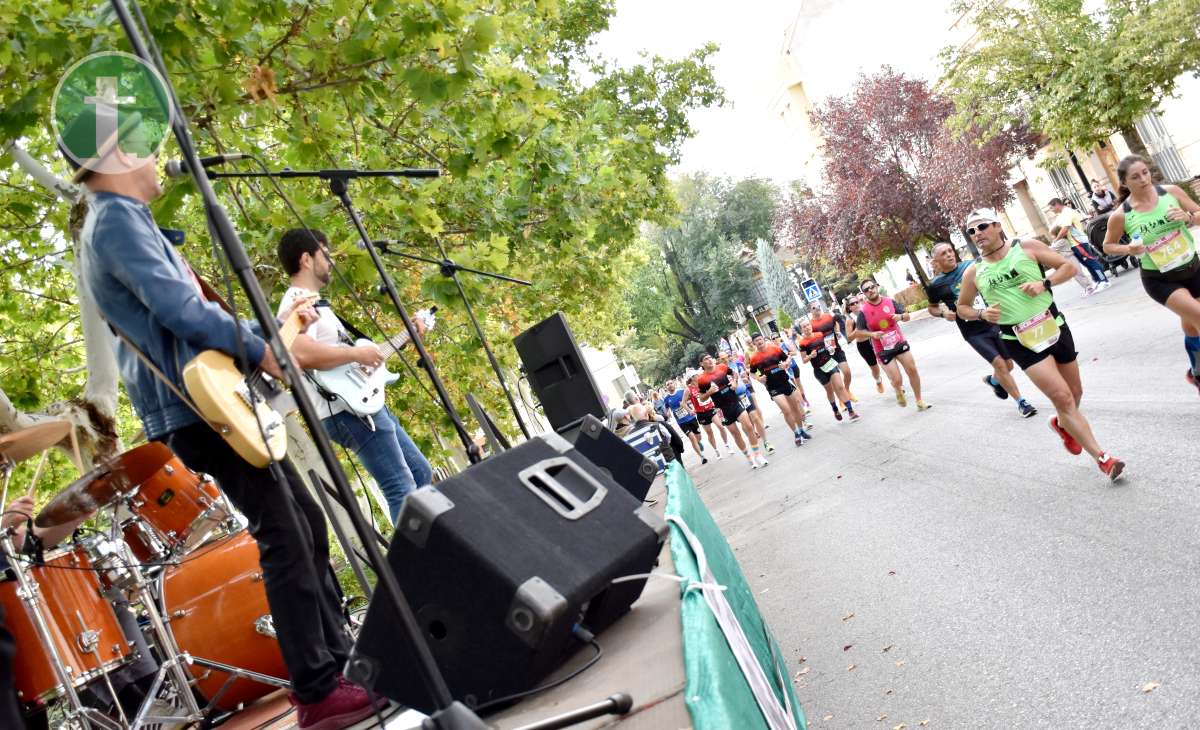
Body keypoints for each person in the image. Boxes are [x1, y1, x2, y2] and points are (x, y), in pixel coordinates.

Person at [65, 106, 381, 726]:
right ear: (117, 158)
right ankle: (317, 690)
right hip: (194, 409)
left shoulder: (120, 222)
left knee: (302, 521)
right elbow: (182, 310)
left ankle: (337, 667)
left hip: (199, 403)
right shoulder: (117, 222)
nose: (158, 159)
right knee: (285, 531)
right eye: (144, 148)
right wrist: (261, 346)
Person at [277, 229, 433, 523]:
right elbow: (300, 352)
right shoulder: (297, 302)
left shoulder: (316, 303)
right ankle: (411, 566)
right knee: (401, 487)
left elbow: (352, 359)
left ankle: (425, 546)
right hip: (346, 411)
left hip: (361, 404)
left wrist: (405, 335)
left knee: (420, 472)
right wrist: (355, 354)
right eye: (326, 254)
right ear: (306, 259)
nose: (331, 261)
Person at [956, 208, 1124, 481]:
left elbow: (1068, 267)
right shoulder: (974, 271)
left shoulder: (1027, 247)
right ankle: (1103, 458)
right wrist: (980, 314)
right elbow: (962, 307)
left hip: (1053, 325)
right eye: (972, 231)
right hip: (1019, 339)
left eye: (982, 226)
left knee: (1075, 393)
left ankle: (1061, 424)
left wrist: (1044, 283)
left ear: (997, 226)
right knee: (1062, 397)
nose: (977, 234)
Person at [1102, 154, 1200, 395]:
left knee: (1192, 326)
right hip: (1160, 279)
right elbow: (1107, 246)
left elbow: (1198, 213)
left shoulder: (1171, 193)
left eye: (1145, 172)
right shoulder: (1121, 215)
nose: (1144, 179)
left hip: (1192, 268)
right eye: (1136, 177)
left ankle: (1196, 371)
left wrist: (1189, 217)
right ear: (1125, 183)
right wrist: (1129, 249)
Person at [925, 242, 1038, 418]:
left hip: (994, 321)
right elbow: (931, 307)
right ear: (936, 260)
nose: (949, 254)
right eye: (944, 253)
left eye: (950, 250)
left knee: (1008, 365)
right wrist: (942, 313)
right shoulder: (935, 285)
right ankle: (1021, 403)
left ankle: (994, 381)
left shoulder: (972, 266)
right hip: (972, 331)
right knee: (1000, 364)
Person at [852, 280, 931, 410]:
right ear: (864, 294)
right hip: (882, 349)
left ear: (877, 287)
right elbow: (859, 331)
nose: (870, 290)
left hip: (898, 342)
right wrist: (872, 335)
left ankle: (919, 401)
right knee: (897, 379)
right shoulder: (864, 311)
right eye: (866, 289)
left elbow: (906, 316)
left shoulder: (889, 301)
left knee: (912, 369)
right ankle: (898, 391)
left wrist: (900, 317)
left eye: (872, 287)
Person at [696, 354, 768, 469]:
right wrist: (709, 392)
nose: (709, 360)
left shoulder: (721, 367)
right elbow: (701, 398)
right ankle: (749, 456)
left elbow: (734, 373)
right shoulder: (702, 379)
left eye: (710, 358)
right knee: (736, 433)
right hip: (722, 409)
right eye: (706, 359)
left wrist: (734, 382)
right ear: (701, 364)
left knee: (749, 426)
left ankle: (758, 454)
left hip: (735, 401)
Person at [747, 333, 812, 445]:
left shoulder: (774, 348)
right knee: (786, 410)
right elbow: (751, 373)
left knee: (795, 407)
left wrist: (786, 364)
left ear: (763, 339)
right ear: (754, 343)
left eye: (760, 339)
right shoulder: (754, 358)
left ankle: (801, 431)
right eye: (756, 340)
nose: (759, 341)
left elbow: (788, 359)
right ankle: (796, 433)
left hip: (784, 381)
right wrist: (759, 378)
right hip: (772, 387)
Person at [795, 317, 860, 421]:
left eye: (808, 325)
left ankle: (851, 411)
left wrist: (831, 345)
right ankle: (835, 409)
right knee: (830, 391)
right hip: (819, 370)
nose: (807, 327)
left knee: (840, 387)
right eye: (804, 327)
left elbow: (829, 345)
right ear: (801, 330)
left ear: (810, 326)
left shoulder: (820, 334)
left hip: (830, 363)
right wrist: (810, 356)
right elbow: (804, 360)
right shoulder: (802, 343)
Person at [1049, 198, 1110, 295]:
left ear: (1056, 204)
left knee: (1091, 262)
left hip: (1078, 242)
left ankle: (1104, 281)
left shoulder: (1067, 212)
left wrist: (1056, 240)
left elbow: (1065, 228)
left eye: (1051, 208)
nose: (1051, 210)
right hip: (1075, 243)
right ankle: (1098, 281)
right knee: (1087, 264)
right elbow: (1056, 228)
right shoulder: (1062, 214)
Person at [723, 353, 773, 454]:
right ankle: (754, 443)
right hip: (734, 400)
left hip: (745, 394)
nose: (726, 359)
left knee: (755, 417)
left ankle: (766, 442)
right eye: (723, 358)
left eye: (727, 356)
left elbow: (744, 374)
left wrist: (745, 378)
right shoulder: (720, 372)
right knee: (745, 423)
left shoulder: (737, 364)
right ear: (719, 360)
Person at [810, 305, 856, 401]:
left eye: (818, 306)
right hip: (824, 355)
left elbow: (835, 323)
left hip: (836, 349)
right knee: (835, 380)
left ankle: (847, 390)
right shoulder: (811, 324)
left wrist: (837, 331)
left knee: (847, 372)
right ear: (810, 310)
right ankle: (842, 399)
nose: (817, 308)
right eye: (814, 307)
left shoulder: (828, 316)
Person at [844, 296, 885, 394]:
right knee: (875, 368)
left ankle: (896, 383)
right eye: (852, 304)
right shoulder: (850, 320)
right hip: (863, 345)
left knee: (885, 362)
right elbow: (849, 338)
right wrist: (857, 330)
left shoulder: (867, 312)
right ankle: (878, 380)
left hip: (875, 340)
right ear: (849, 308)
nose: (855, 305)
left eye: (856, 302)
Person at [686, 373, 730, 459]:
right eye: (695, 375)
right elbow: (683, 402)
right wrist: (690, 410)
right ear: (692, 378)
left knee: (720, 426)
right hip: (701, 414)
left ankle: (727, 444)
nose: (698, 376)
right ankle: (716, 450)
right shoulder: (688, 389)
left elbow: (714, 390)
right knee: (710, 433)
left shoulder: (703, 384)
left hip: (711, 409)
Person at [663, 378, 707, 463]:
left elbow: (692, 399)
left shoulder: (682, 391)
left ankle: (698, 442)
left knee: (698, 437)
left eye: (671, 383)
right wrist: (667, 413)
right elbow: (667, 409)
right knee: (692, 438)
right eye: (668, 384)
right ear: (666, 388)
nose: (670, 385)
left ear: (674, 384)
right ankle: (702, 457)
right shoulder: (667, 398)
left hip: (691, 417)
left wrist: (694, 408)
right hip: (681, 422)